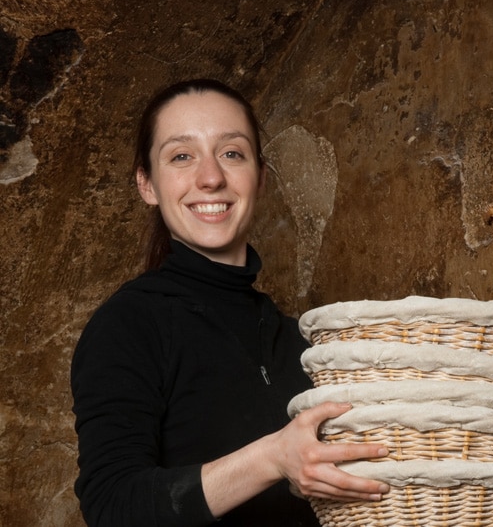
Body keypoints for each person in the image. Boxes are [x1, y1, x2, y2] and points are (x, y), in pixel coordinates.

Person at [70, 78, 389, 527]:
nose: (211, 177)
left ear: (259, 176)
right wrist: (271, 459)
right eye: (182, 156)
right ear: (147, 184)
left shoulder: (306, 342)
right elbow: (113, 506)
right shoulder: (127, 325)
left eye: (232, 153)